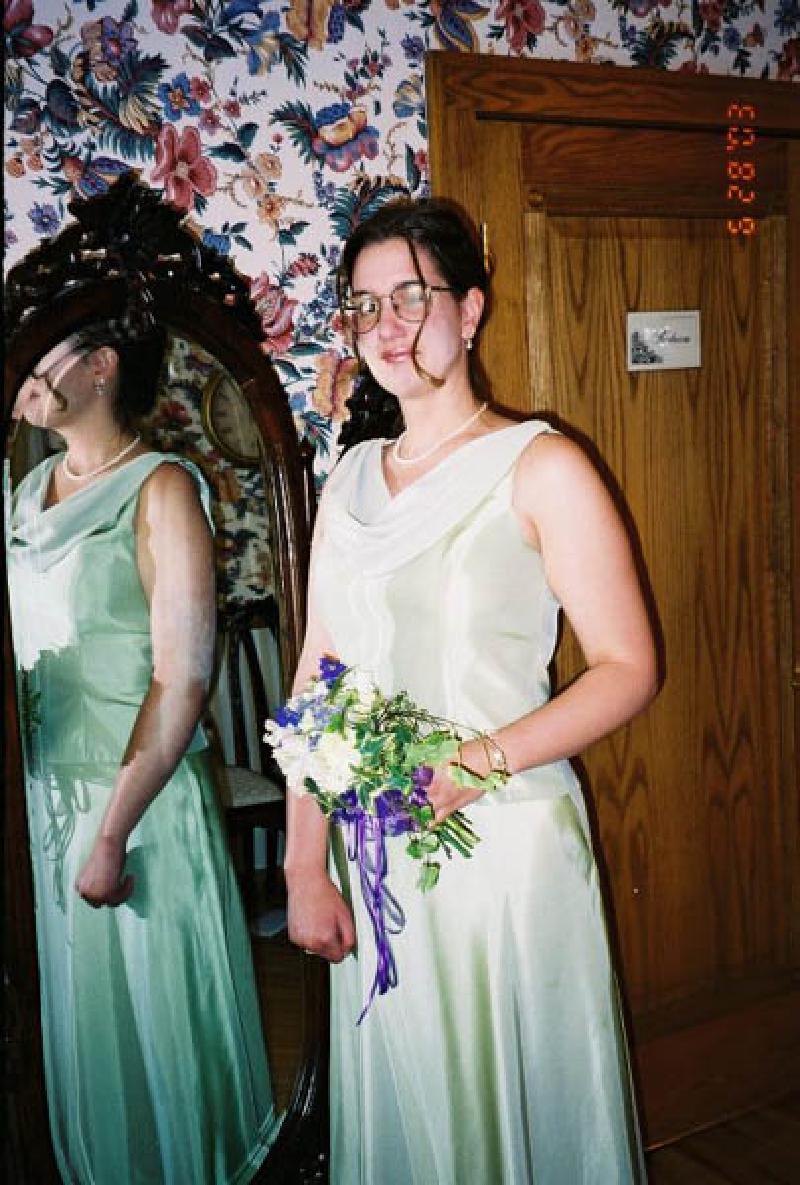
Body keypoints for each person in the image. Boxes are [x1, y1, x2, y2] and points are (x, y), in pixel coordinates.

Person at [285, 197, 658, 1184]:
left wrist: (475, 761)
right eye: (364, 307)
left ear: (471, 309)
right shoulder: (351, 478)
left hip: (504, 852)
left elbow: (627, 666)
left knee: (515, 1119)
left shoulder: (540, 466)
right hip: (381, 859)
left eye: (411, 296)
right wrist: (302, 861)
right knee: (415, 1117)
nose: (388, 327)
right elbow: (319, 674)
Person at [6, 307, 278, 1184]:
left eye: (42, 352)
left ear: (101, 366)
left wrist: (114, 828)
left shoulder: (164, 487)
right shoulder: (24, 491)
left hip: (140, 803)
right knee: (90, 1035)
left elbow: (183, 677)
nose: (24, 371)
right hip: (44, 800)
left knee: (161, 1028)